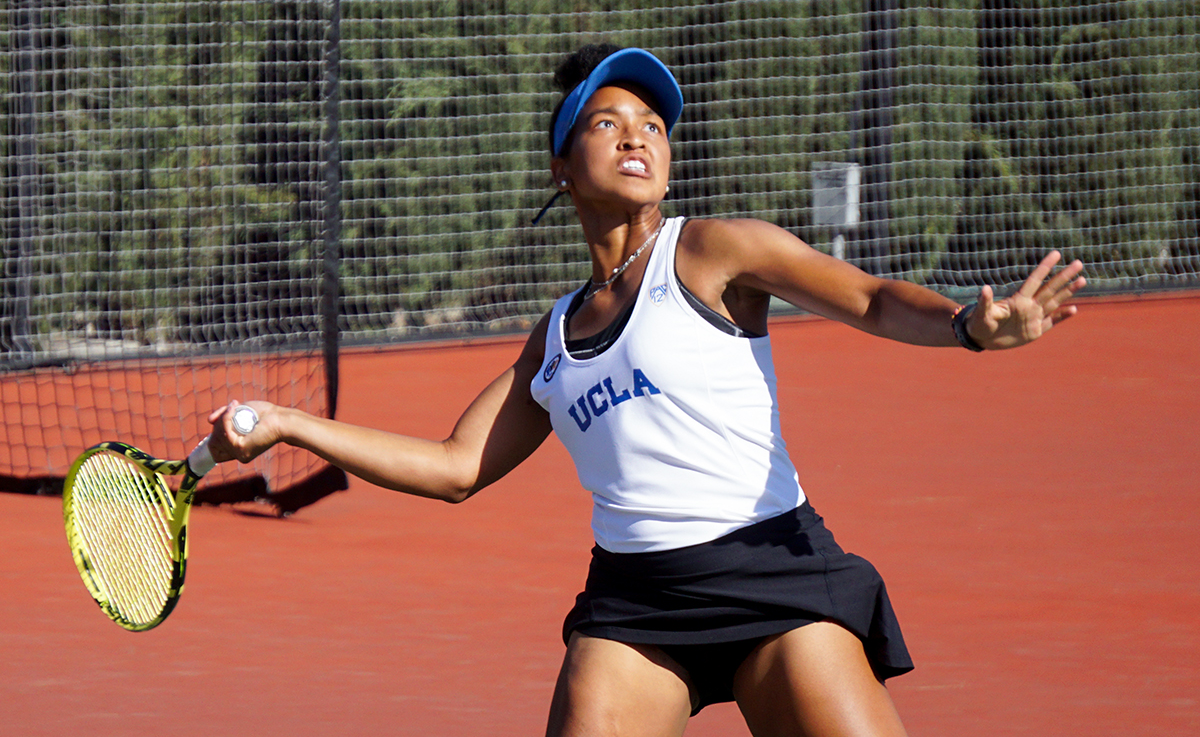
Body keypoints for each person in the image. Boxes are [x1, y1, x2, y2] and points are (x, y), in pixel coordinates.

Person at [206, 45, 1086, 737]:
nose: (638, 135)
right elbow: (454, 466)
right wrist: (290, 424)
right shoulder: (552, 339)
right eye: (606, 121)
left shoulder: (712, 251)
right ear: (560, 165)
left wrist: (970, 327)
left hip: (775, 571)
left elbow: (866, 298)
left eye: (653, 124)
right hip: (636, 606)